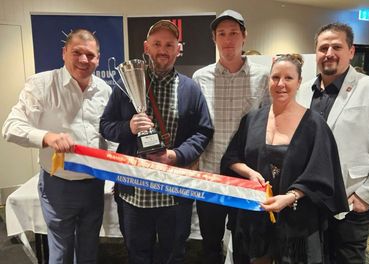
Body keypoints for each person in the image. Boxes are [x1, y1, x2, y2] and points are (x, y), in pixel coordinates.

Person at [99, 20, 214, 264]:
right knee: (137, 254)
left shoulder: (190, 88)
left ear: (178, 49)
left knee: (173, 255)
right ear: (146, 47)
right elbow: (106, 126)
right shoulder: (125, 85)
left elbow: (203, 131)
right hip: (134, 193)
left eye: (169, 44)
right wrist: (128, 126)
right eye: (157, 43)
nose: (163, 50)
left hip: (174, 192)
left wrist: (177, 155)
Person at [221, 54, 349, 264]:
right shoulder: (252, 119)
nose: (280, 84)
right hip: (257, 218)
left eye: (288, 78)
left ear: (299, 82)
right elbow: (231, 158)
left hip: (297, 222)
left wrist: (289, 197)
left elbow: (322, 174)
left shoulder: (315, 125)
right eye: (275, 77)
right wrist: (249, 172)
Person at [2, 29, 112, 263]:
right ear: (64, 53)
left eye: (90, 55)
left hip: (94, 185)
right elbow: (10, 127)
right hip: (59, 185)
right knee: (60, 254)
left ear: (98, 59)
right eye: (77, 53)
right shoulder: (41, 84)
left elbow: (107, 135)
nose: (84, 60)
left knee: (89, 249)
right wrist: (47, 137)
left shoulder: (104, 89)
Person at [297, 23, 369, 263]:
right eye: (323, 48)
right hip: (309, 201)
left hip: (350, 200)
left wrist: (366, 196)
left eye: (337, 46)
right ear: (316, 53)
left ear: (351, 51)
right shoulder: (302, 90)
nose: (329, 53)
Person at [192, 10, 270, 263]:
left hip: (245, 178)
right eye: (222, 34)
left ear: (244, 37)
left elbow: (269, 125)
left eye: (234, 33)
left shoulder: (263, 78)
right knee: (210, 244)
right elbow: (196, 126)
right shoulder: (200, 78)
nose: (228, 40)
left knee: (244, 245)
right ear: (214, 38)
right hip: (210, 176)